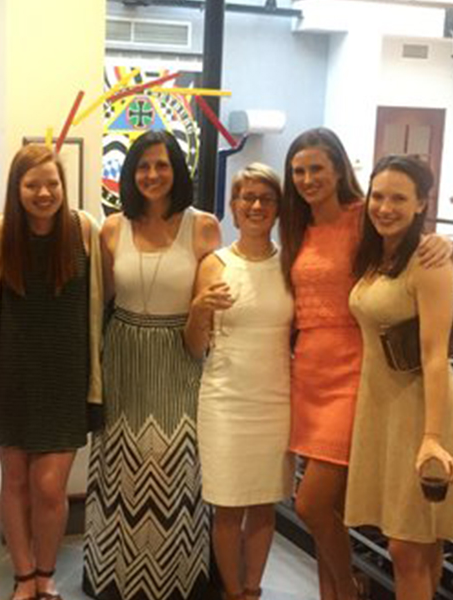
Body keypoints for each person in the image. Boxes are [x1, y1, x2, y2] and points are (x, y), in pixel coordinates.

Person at [278, 128, 453, 600]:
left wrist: (447, 246)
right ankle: (333, 592)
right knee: (334, 510)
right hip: (309, 373)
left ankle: (347, 589)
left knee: (312, 504)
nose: (308, 178)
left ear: (339, 168)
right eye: (299, 170)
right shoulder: (296, 225)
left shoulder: (365, 216)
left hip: (358, 372)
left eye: (318, 167)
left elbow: (411, 242)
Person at [83, 130, 221, 600]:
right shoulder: (113, 228)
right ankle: (113, 578)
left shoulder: (202, 226)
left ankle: (177, 579)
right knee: (118, 464)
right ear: (130, 173)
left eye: (162, 165)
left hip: (179, 352)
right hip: (122, 350)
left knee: (177, 462)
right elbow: (100, 301)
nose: (152, 175)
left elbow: (209, 302)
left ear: (177, 169)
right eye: (143, 166)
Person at [0, 144, 103, 600]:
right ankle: (24, 575)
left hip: (66, 377)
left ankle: (46, 573)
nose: (43, 192)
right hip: (11, 375)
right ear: (17, 189)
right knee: (14, 480)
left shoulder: (84, 229)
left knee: (49, 488)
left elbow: (105, 294)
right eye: (32, 185)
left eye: (52, 183)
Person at [346, 155, 453, 600]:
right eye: (378, 196)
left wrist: (432, 436)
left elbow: (437, 354)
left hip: (425, 411)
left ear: (421, 204)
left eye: (399, 198)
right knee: (421, 541)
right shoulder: (378, 254)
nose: (384, 207)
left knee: (405, 546)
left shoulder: (429, 260)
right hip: (384, 408)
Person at [186, 164, 294, 600]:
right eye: (246, 197)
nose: (255, 206)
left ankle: (253, 590)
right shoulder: (214, 264)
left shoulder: (291, 264)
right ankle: (232, 592)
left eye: (265, 199)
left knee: (264, 504)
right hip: (225, 400)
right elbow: (194, 347)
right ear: (232, 207)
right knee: (228, 506)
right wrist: (198, 310)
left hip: (276, 398)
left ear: (278, 209)